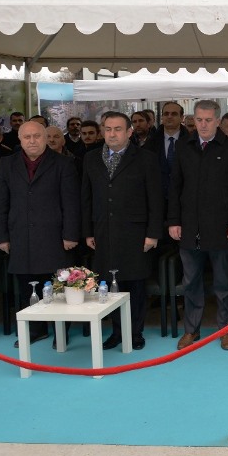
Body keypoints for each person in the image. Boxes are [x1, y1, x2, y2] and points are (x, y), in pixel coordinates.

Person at [0, 119, 80, 345]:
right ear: (19, 140)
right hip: (21, 237)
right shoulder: (7, 164)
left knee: (59, 288)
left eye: (37, 136)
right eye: (27, 137)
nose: (32, 141)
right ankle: (34, 330)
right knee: (27, 288)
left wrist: (71, 234)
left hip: (55, 238)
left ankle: (61, 332)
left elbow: (71, 203)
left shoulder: (63, 164)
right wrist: (0, 237)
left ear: (45, 139)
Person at [168, 100, 228, 352]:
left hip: (222, 229)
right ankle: (191, 330)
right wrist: (174, 221)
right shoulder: (184, 147)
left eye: (208, 120)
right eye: (198, 120)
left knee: (223, 284)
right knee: (191, 283)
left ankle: (226, 330)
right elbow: (174, 187)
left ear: (217, 121)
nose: (203, 125)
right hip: (189, 229)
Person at [82, 112, 163, 351]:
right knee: (109, 285)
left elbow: (156, 199)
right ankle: (117, 331)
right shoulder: (91, 158)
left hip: (135, 233)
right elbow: (85, 197)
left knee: (135, 285)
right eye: (108, 129)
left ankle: (134, 333)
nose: (112, 134)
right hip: (103, 232)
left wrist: (153, 233)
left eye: (118, 129)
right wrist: (88, 231)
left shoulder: (146, 159)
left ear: (129, 132)